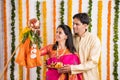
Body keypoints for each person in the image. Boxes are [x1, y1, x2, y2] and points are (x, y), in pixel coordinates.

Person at [15, 19, 83, 80]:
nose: (57, 34)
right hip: (50, 77)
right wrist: (30, 38)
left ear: (66, 36)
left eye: (60, 33)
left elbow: (76, 71)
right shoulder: (50, 48)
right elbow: (36, 54)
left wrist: (68, 70)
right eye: (56, 32)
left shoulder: (72, 53)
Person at [58, 13, 101, 80]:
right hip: (73, 77)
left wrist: (72, 68)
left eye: (77, 24)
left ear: (85, 26)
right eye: (73, 24)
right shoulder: (70, 38)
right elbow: (61, 51)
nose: (74, 26)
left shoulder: (94, 40)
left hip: (89, 77)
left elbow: (92, 62)